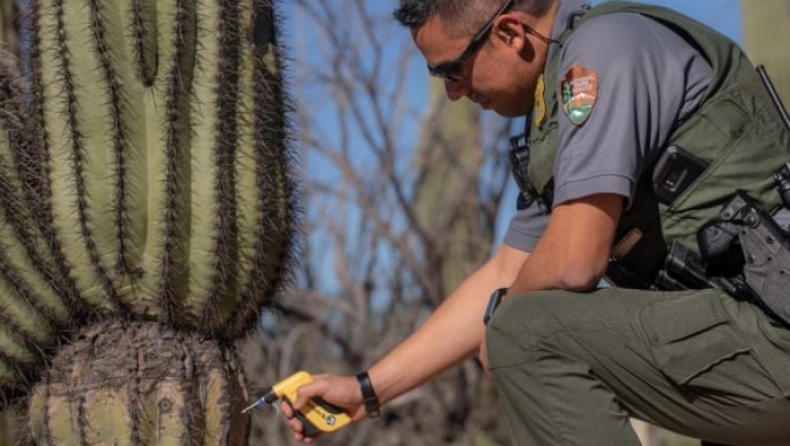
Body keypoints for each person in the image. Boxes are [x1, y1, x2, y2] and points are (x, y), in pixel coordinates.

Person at [281, 0, 790, 444]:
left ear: (510, 33)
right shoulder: (556, 108)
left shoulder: (600, 53)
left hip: (772, 331)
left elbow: (572, 261)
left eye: (451, 70)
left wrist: (504, 322)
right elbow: (508, 268)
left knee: (524, 330)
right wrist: (367, 390)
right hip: (746, 333)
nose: (453, 93)